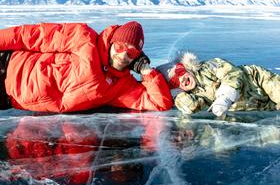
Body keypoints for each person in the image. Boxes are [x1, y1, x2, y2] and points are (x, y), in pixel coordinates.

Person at [0, 21, 173, 112]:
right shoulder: (82, 38)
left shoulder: (121, 86)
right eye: (119, 47)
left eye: (132, 53)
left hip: (7, 99)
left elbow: (159, 103)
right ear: (111, 42)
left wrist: (146, 71)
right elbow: (26, 36)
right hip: (6, 66)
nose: (123, 56)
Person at [157, 52, 280, 117]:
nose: (181, 80)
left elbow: (232, 74)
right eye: (174, 83)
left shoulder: (208, 67)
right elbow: (191, 107)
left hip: (259, 81)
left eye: (179, 72)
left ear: (185, 67)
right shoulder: (193, 95)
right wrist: (177, 95)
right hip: (257, 106)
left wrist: (225, 97)